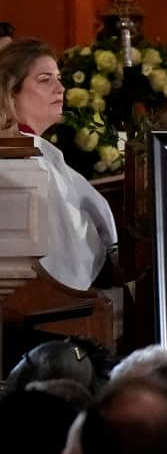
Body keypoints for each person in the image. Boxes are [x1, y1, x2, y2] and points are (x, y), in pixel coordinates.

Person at [0, 38, 118, 290]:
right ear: (11, 92)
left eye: (58, 77)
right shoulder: (21, 157)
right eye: (45, 79)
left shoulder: (40, 149)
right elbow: (63, 253)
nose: (60, 88)